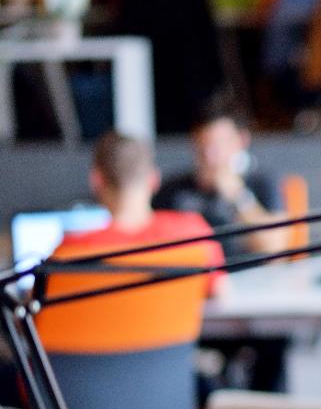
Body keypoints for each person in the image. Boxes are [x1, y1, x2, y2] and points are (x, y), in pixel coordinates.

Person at [55, 130, 224, 295]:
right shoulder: (195, 234)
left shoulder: (69, 254)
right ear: (154, 179)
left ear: (97, 181)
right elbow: (219, 292)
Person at [153, 96, 289, 256]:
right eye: (202, 147)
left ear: (241, 140)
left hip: (246, 269)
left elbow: (276, 248)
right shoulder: (174, 190)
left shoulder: (261, 181)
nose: (209, 156)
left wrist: (238, 197)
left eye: (217, 146)